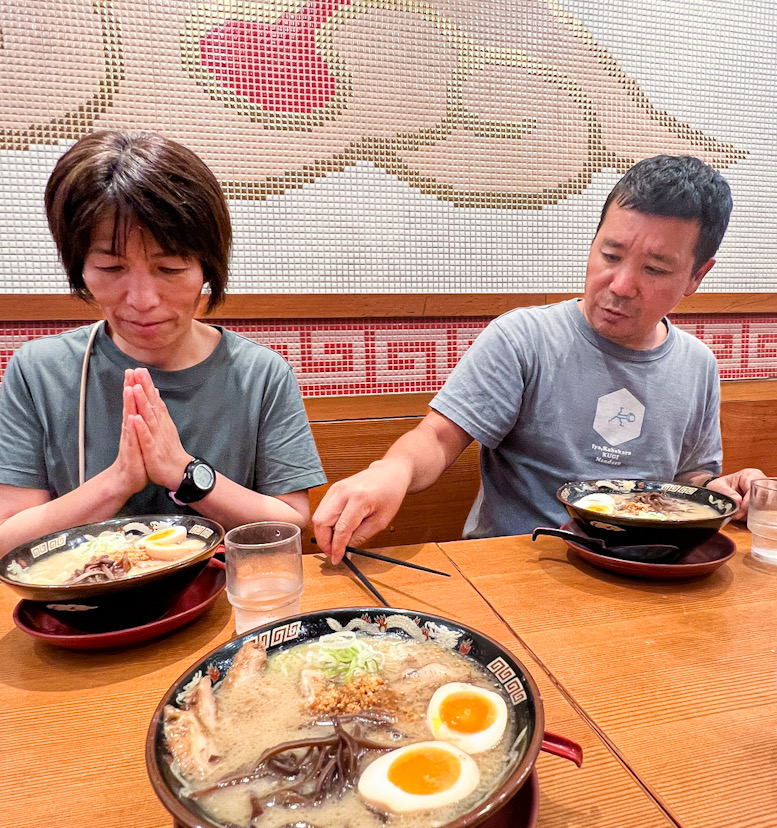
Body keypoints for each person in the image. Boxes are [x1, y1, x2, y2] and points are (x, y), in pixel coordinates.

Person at [314, 154, 765, 563]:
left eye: (655, 269)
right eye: (610, 254)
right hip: (522, 565)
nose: (621, 284)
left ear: (696, 276)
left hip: (645, 568)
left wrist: (719, 489)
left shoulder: (697, 364)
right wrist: (389, 472)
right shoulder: (524, 338)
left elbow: (687, 479)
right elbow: (436, 437)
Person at [0, 130, 325, 556]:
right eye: (111, 267)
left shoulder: (260, 374)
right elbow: (8, 538)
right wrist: (117, 482)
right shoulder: (40, 371)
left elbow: (291, 522)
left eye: (169, 268)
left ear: (207, 268)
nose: (142, 301)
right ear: (80, 268)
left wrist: (183, 472)